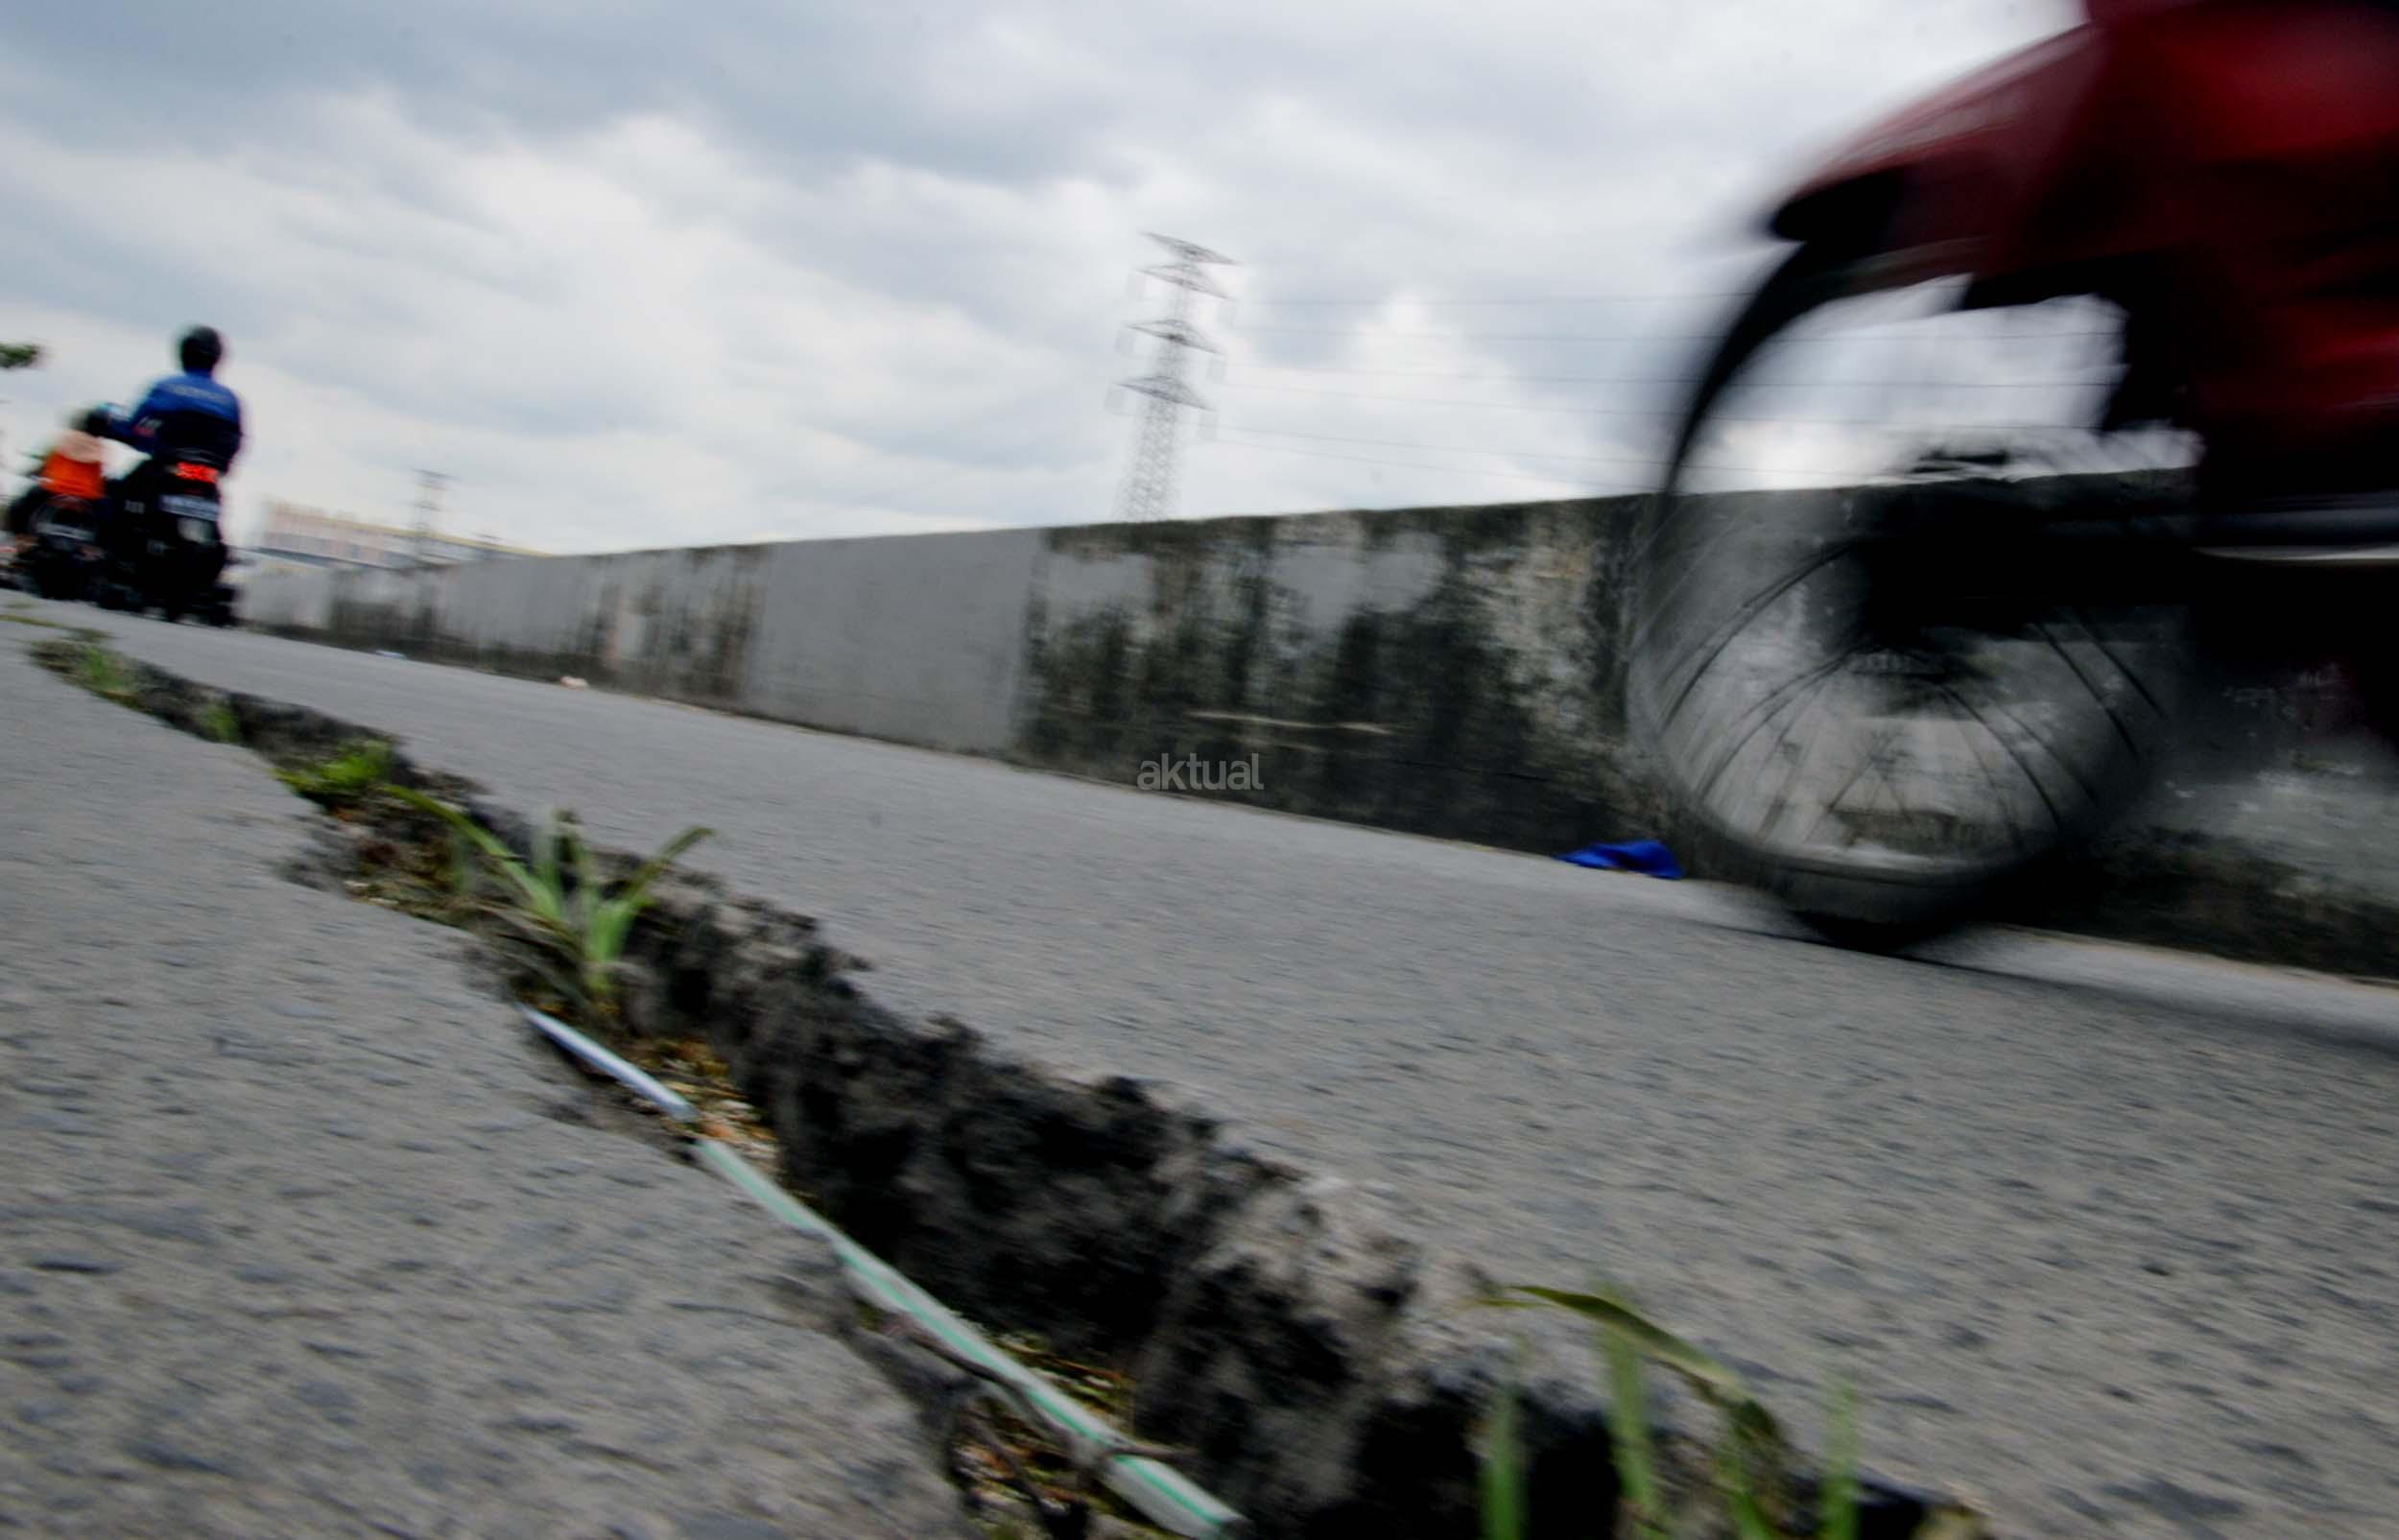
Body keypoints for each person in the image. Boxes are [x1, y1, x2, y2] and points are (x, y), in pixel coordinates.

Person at [5, 409, 109, 541]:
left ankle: (21, 537)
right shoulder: (102, 449)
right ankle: (96, 546)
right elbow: (99, 479)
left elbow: (47, 466)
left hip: (54, 490)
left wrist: (32, 472)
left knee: (21, 505)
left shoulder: (65, 440)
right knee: (108, 516)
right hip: (87, 497)